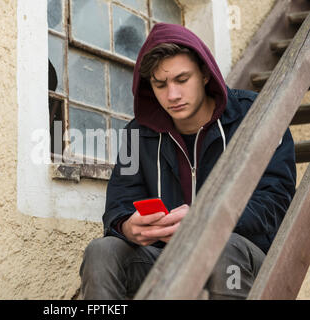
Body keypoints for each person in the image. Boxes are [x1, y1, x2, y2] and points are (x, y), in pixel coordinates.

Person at [79, 23, 296, 300]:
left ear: (205, 74)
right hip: (166, 259)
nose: (172, 95)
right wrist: (126, 226)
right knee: (102, 251)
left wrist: (206, 222)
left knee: (219, 245)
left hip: (242, 256)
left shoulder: (258, 115)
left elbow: (274, 203)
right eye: (160, 84)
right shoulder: (137, 134)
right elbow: (119, 204)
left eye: (182, 80)